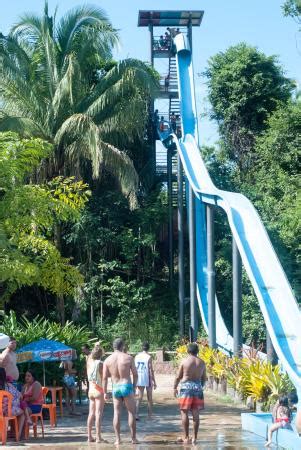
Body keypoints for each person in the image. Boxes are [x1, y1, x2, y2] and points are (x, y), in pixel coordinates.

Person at [103, 337, 138, 446]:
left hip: (116, 386)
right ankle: (133, 439)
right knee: (131, 412)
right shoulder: (128, 358)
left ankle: (118, 439)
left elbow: (104, 378)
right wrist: (134, 386)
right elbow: (135, 374)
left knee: (116, 413)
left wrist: (104, 392)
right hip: (126, 385)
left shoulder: (107, 360)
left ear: (113, 347)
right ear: (122, 346)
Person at [173, 342, 206, 445]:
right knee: (196, 412)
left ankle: (186, 437)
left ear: (188, 351)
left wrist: (174, 387)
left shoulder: (184, 361)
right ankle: (195, 438)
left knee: (184, 412)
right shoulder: (202, 362)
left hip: (186, 387)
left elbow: (178, 376)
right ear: (197, 351)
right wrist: (200, 386)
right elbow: (204, 378)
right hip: (197, 387)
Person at [87, 344, 106, 443]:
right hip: (99, 390)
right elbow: (103, 377)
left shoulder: (89, 362)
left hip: (91, 390)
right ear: (101, 354)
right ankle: (98, 437)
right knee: (98, 414)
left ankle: (89, 436)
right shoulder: (100, 363)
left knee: (91, 414)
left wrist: (96, 347)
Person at [0, 368, 25, 439]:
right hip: (7, 412)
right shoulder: (9, 385)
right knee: (22, 413)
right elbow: (20, 396)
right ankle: (18, 435)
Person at [135, 342, 157, 420]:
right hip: (147, 378)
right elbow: (151, 370)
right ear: (148, 348)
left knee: (139, 397)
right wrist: (154, 381)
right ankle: (150, 416)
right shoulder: (148, 357)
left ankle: (136, 414)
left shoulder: (137, 356)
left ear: (142, 347)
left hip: (139, 377)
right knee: (149, 397)